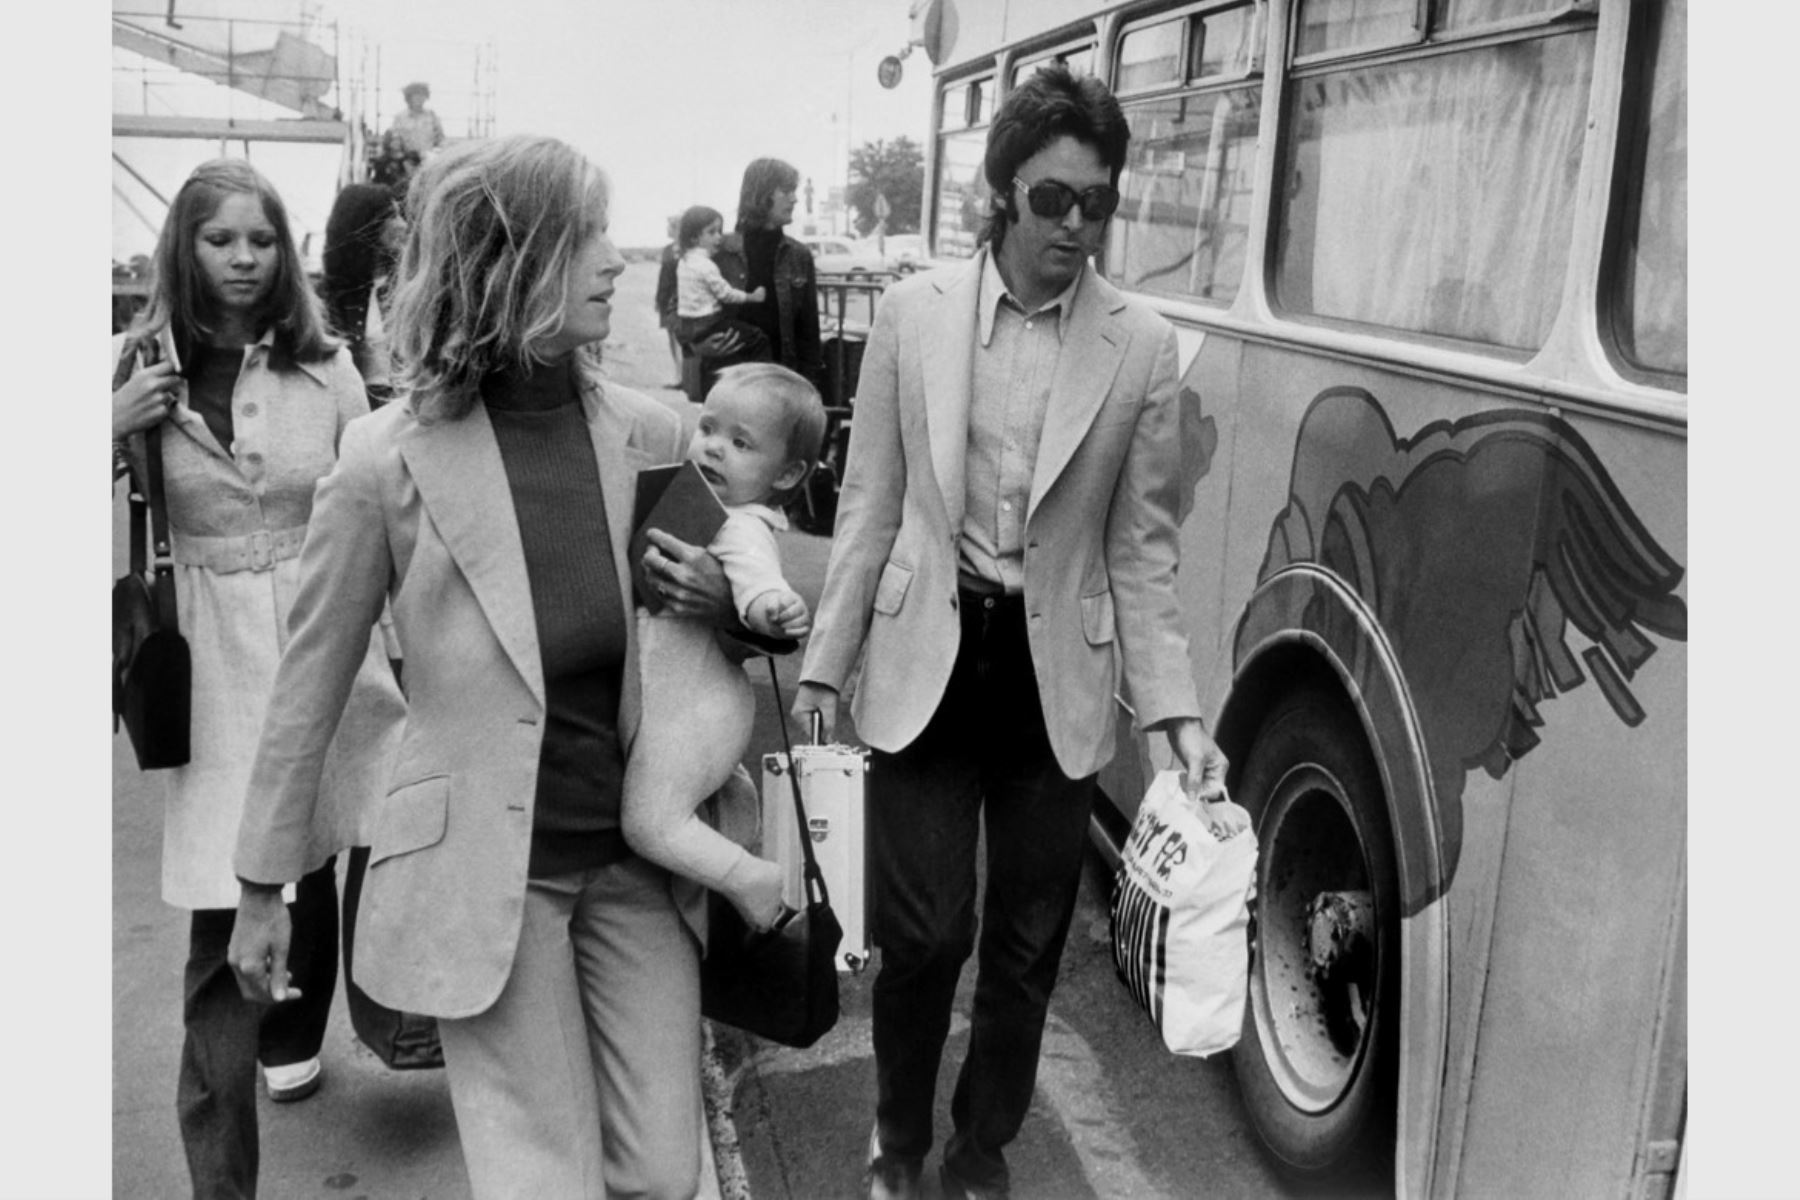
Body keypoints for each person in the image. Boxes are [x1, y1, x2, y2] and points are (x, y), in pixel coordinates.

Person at [226, 133, 743, 1200]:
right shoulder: (384, 459)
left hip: (638, 862)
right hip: (485, 874)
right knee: (544, 1179)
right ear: (509, 264)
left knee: (661, 1168)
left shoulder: (649, 432)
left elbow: (728, 612)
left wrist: (729, 597)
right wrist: (259, 886)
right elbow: (307, 690)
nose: (614, 262)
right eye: (585, 238)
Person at [791, 66, 1250, 1200]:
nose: (1078, 227)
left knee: (1027, 947)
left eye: (1099, 203)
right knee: (927, 932)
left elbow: (1140, 550)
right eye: (1054, 200)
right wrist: (822, 665)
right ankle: (896, 1143)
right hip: (928, 665)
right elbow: (871, 506)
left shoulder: (1140, 345)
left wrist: (1179, 715)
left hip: (1059, 681)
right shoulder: (912, 315)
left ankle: (978, 1151)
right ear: (1002, 193)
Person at [110, 158, 405, 1199]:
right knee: (217, 943)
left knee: (361, 843)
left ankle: (367, 1017)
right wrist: (108, 422)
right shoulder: (135, 366)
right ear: (182, 250)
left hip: (331, 646)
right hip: (221, 668)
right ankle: (221, 1179)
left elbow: (381, 516)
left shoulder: (328, 369)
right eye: (219, 239)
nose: (243, 259)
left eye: (262, 239)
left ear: (290, 253)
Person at [621, 362, 824, 929]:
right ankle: (736, 826)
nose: (713, 448)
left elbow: (758, 582)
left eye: (741, 443)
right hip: (691, 703)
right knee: (686, 796)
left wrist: (770, 609)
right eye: (708, 428)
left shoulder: (739, 526)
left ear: (786, 475)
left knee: (650, 823)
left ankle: (751, 880)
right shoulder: (697, 506)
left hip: (698, 706)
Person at [714, 157, 824, 390]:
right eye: (786, 191)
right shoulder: (719, 252)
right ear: (761, 194)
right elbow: (678, 306)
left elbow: (809, 333)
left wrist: (810, 388)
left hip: (781, 383)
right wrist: (696, 345)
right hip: (729, 382)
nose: (795, 199)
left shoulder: (799, 256)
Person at [319, 182, 405, 402]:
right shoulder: (329, 294)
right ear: (368, 223)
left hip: (403, 407)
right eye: (393, 216)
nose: (403, 225)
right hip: (354, 406)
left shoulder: (410, 285)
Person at [674, 204, 769, 363]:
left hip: (689, 327)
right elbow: (726, 294)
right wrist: (752, 297)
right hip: (709, 323)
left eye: (720, 231)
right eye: (712, 232)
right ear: (694, 238)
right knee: (758, 339)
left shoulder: (684, 262)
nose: (719, 237)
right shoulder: (706, 265)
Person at [655, 214, 684, 387]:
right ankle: (679, 374)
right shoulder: (668, 249)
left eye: (671, 226)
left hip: (677, 299)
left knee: (679, 339)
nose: (667, 229)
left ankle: (681, 377)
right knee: (672, 338)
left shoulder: (683, 251)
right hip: (666, 298)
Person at [389, 81, 444, 159]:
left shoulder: (432, 115)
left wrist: (436, 153)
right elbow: (395, 141)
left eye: (422, 95)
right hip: (408, 160)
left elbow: (440, 138)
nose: (419, 98)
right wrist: (402, 158)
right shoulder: (400, 117)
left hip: (430, 159)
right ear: (408, 98)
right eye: (416, 95)